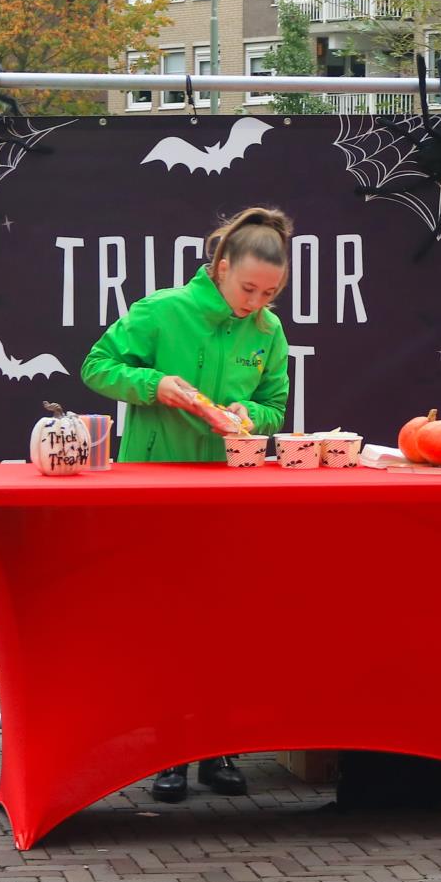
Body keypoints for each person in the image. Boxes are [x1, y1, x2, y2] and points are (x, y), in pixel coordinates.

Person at [80, 206, 294, 802]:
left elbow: (276, 406)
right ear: (221, 267)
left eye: (269, 293)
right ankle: (168, 751)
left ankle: (217, 747)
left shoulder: (268, 332)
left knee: (223, 620)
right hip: (154, 485)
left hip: (229, 489)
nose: (256, 303)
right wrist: (154, 386)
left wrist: (252, 416)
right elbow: (96, 366)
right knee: (164, 621)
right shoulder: (161, 310)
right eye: (248, 288)